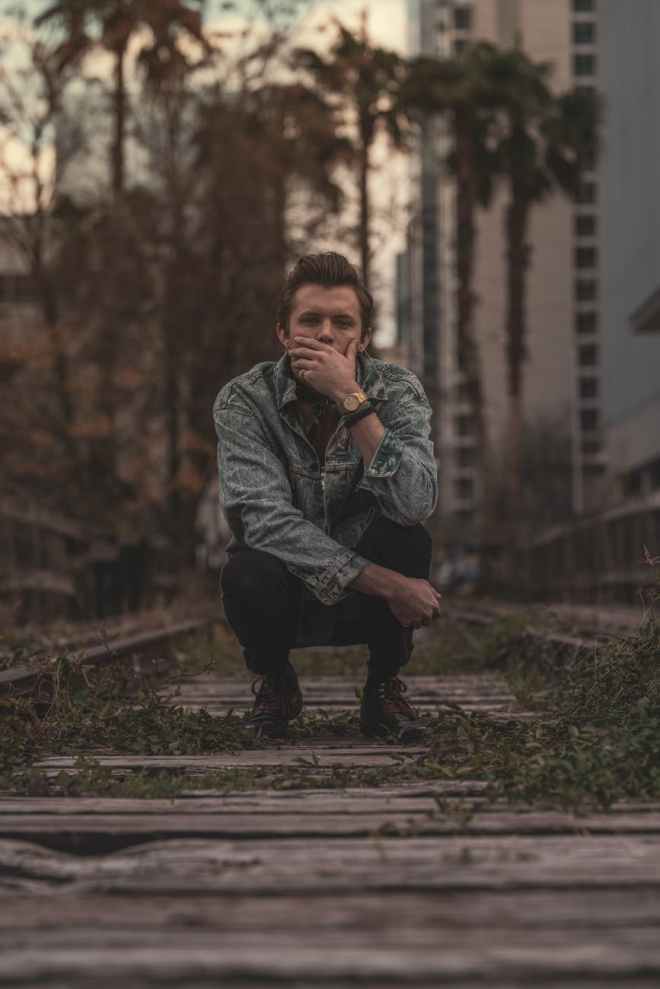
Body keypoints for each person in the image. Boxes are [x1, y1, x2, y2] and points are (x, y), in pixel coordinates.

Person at [213, 252, 440, 740]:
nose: (325, 335)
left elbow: (415, 502)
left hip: (366, 602)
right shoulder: (244, 400)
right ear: (283, 333)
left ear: (362, 337)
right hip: (286, 589)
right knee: (247, 567)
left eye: (342, 323)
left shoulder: (397, 390)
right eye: (310, 320)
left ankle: (383, 688)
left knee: (409, 539)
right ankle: (275, 680)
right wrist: (385, 583)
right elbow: (265, 521)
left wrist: (353, 403)